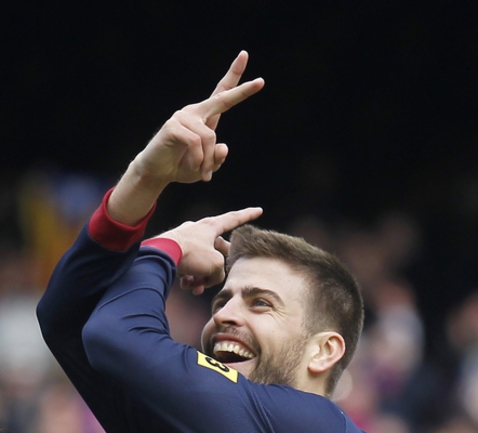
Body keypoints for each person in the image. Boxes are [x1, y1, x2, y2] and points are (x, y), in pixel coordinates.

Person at [37, 51, 365, 433]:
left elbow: (116, 336)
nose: (223, 315)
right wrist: (143, 181)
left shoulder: (316, 424)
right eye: (221, 301)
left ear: (323, 351)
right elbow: (67, 320)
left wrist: (168, 246)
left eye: (261, 303)